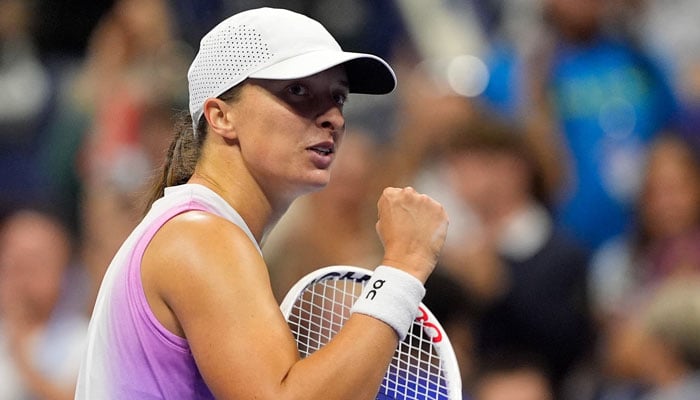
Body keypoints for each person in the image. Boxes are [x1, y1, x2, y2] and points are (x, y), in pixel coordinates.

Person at [75, 7, 448, 399]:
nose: (333, 118)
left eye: (338, 97)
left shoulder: (195, 229)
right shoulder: (200, 237)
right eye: (298, 91)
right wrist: (404, 265)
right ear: (221, 116)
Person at [0, 209, 88, 400]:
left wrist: (22, 361)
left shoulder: (81, 340)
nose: (20, 277)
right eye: (12, 263)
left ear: (63, 271)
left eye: (33, 264)